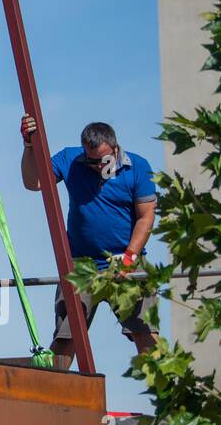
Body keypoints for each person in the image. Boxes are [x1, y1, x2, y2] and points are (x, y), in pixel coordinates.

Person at [20, 116, 158, 365]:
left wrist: (130, 257)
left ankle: (170, 399)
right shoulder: (71, 160)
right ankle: (52, 396)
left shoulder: (137, 167)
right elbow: (34, 182)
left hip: (127, 259)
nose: (96, 166)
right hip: (80, 265)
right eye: (90, 160)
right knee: (66, 337)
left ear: (115, 150)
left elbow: (146, 217)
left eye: (102, 160)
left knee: (145, 332)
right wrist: (29, 147)